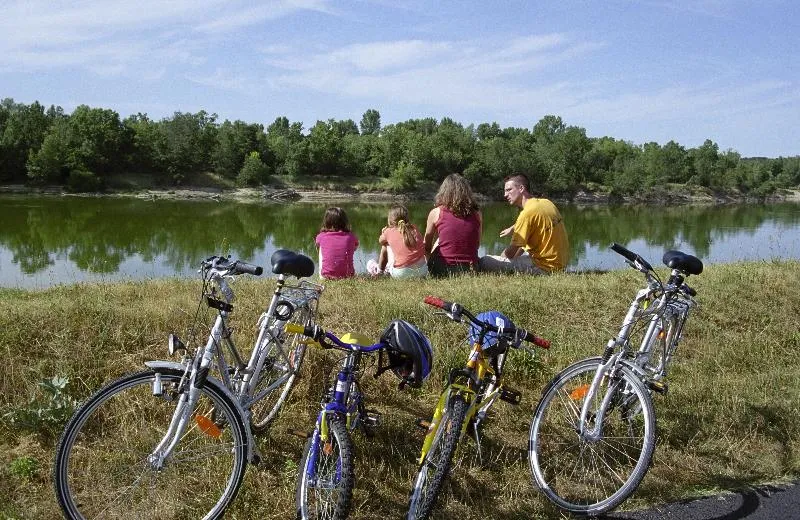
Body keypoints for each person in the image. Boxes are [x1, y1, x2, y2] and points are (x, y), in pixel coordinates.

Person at [479, 174, 569, 274]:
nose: (505, 195)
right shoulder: (547, 203)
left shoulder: (526, 214)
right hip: (560, 265)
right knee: (523, 248)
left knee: (485, 261)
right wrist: (515, 227)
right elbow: (534, 222)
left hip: (543, 268)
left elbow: (510, 253)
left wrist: (500, 260)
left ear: (521, 188)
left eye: (509, 190)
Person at [424, 174, 482, 277]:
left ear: (444, 191)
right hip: (471, 270)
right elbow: (477, 244)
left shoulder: (436, 212)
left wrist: (428, 264)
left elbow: (426, 246)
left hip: (442, 270)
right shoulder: (477, 214)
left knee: (438, 241)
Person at [374, 205, 427, 278]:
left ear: (390, 219)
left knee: (385, 245)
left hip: (402, 274)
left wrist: (383, 232)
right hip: (422, 271)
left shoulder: (388, 231)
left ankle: (379, 272)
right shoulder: (414, 228)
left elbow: (381, 241)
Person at [315, 207, 358, 279]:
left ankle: (326, 273)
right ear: (345, 221)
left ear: (326, 221)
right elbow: (355, 247)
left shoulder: (321, 236)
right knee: (350, 246)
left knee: (321, 247)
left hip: (326, 277)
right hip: (348, 276)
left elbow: (317, 243)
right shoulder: (351, 236)